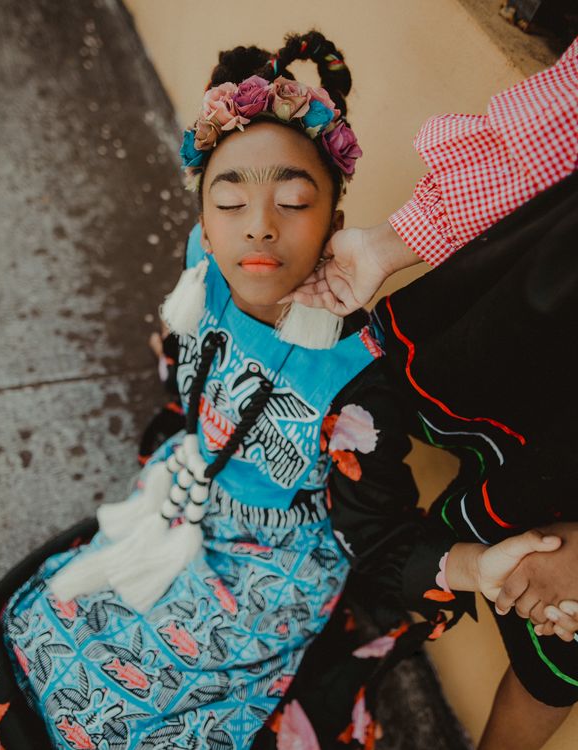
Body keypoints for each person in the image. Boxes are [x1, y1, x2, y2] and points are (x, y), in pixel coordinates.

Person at [0, 30, 568, 750]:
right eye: (229, 203)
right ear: (202, 226)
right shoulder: (204, 271)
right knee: (43, 633)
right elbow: (191, 364)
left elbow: (379, 538)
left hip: (271, 569)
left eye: (293, 201)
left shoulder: (355, 383)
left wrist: (477, 567)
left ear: (336, 228)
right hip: (185, 495)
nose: (258, 226)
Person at [281, 36, 578, 750]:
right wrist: (387, 246)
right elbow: (555, 126)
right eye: (229, 200)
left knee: (556, 659)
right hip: (533, 325)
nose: (261, 228)